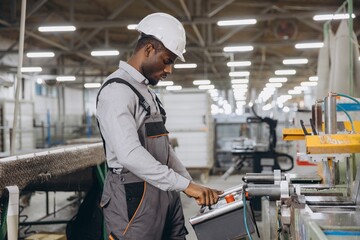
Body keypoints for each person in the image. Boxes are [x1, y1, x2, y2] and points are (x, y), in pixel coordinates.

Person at [96, 12, 222, 240]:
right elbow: (129, 154)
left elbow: (164, 149)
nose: (169, 70)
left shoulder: (147, 93)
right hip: (132, 198)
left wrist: (189, 184)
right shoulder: (117, 91)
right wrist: (184, 186)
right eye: (167, 60)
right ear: (148, 49)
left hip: (164, 191)